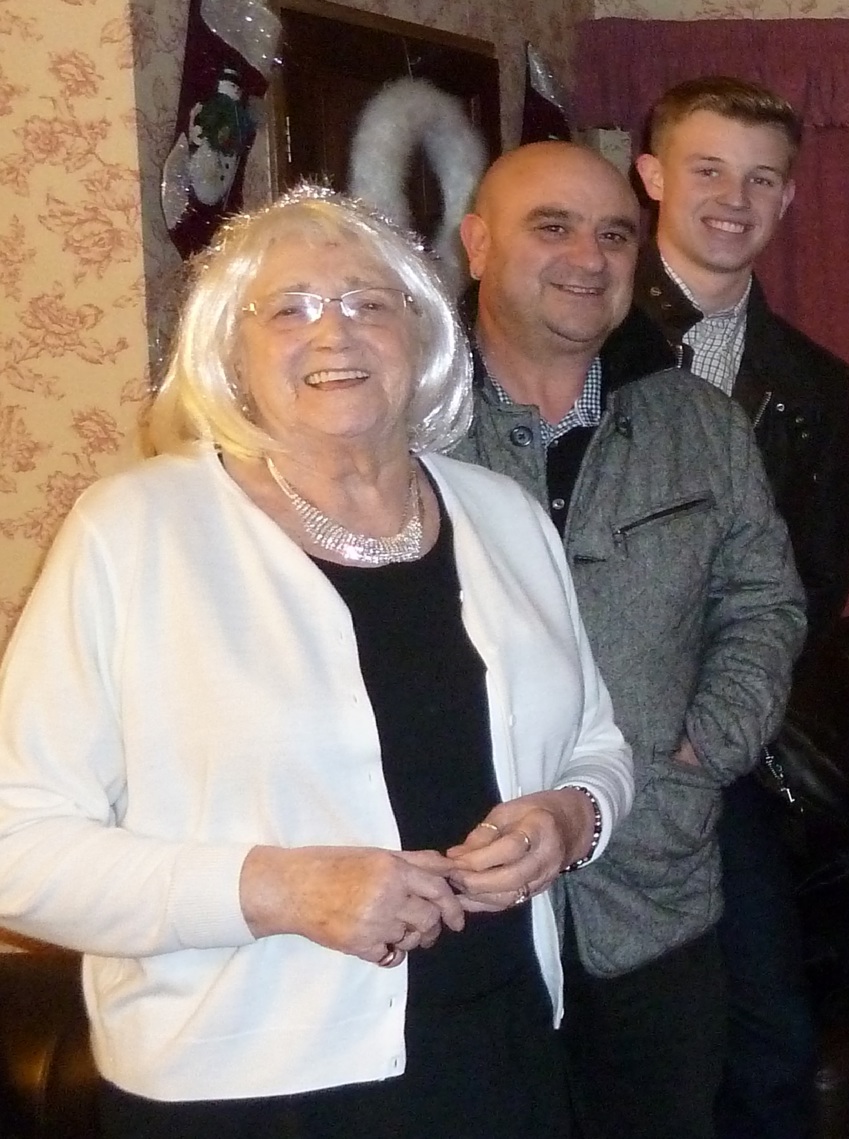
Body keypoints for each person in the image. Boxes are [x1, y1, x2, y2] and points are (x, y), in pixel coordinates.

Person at [0, 187, 634, 1137]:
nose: (334, 333)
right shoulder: (135, 532)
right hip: (247, 1085)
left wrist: (573, 817)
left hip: (500, 1052)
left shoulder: (502, 514)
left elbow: (597, 744)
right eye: (288, 310)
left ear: (421, 336)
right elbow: (18, 845)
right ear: (232, 355)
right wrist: (280, 890)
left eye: (369, 303)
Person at [455, 141, 807, 1139]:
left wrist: (702, 750)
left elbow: (765, 601)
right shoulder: (408, 428)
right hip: (462, 897)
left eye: (614, 234)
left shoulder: (700, 423)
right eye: (552, 227)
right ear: (478, 244)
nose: (589, 256)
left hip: (654, 887)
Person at [605, 76, 849, 1139]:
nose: (734, 199)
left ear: (788, 198)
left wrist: (714, 726)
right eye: (707, 169)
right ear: (652, 175)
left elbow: (808, 591)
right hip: (571, 742)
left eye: (761, 179)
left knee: (769, 1038)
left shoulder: (818, 386)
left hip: (728, 757)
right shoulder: (577, 337)